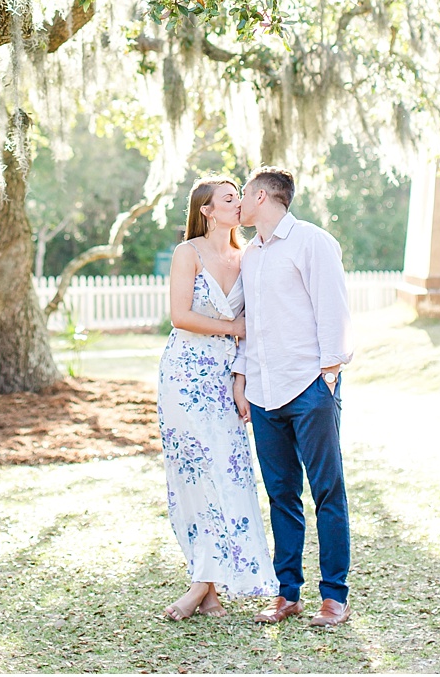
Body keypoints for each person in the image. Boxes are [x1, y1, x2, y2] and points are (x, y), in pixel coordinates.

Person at [230, 166, 355, 627]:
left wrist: (329, 372)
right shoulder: (252, 255)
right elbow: (252, 324)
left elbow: (333, 307)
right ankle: (288, 594)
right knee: (282, 494)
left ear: (262, 197)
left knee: (327, 491)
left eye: (243, 194)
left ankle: (334, 597)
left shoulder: (312, 242)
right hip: (264, 392)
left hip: (309, 387)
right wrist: (243, 378)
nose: (239, 202)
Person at [157, 177, 278, 619]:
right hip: (185, 376)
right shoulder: (187, 253)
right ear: (207, 210)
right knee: (194, 478)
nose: (239, 203)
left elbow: (255, 325)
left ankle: (206, 589)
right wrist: (234, 328)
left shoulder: (250, 257)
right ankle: (203, 586)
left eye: (239, 197)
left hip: (226, 380)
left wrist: (241, 381)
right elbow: (180, 316)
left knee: (227, 474)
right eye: (229, 198)